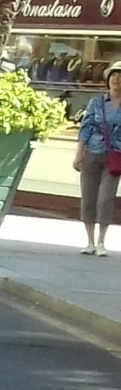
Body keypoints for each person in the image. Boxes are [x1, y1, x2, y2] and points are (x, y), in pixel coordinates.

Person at [75, 66, 121, 254]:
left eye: (120, 76)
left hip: (116, 156)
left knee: (106, 198)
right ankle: (90, 241)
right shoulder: (97, 102)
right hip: (92, 152)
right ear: (108, 80)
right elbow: (86, 128)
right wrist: (79, 153)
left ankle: (102, 241)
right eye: (114, 76)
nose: (117, 79)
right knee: (88, 197)